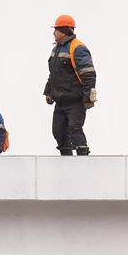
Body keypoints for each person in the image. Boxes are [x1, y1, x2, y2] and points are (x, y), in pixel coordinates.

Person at [44, 14, 96, 156]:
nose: (53, 33)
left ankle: (82, 158)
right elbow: (53, 74)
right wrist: (48, 92)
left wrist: (88, 97)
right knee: (58, 132)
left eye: (56, 30)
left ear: (64, 31)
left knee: (75, 129)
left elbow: (88, 74)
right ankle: (66, 160)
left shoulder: (77, 48)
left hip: (75, 100)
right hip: (60, 101)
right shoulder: (56, 49)